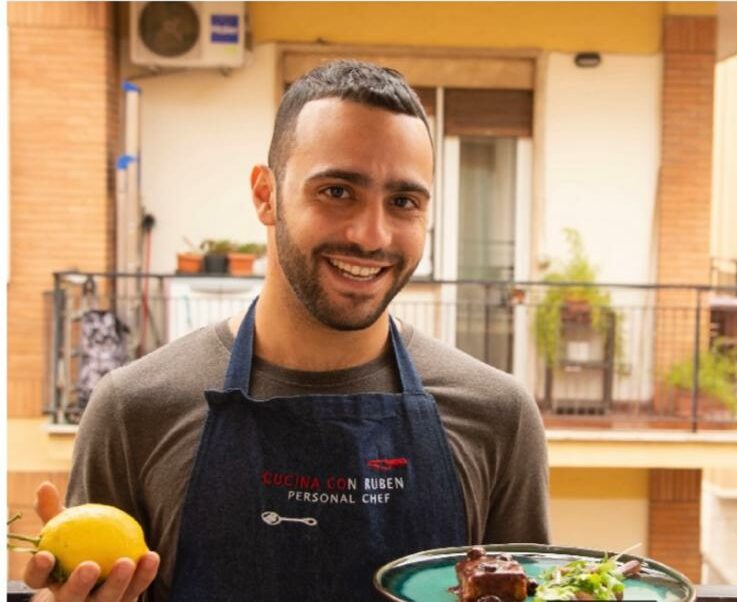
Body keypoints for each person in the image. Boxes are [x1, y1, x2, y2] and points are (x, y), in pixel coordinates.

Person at [24, 60, 550, 602]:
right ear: (265, 195)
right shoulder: (134, 410)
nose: (372, 236)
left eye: (403, 202)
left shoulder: (497, 415)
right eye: (338, 191)